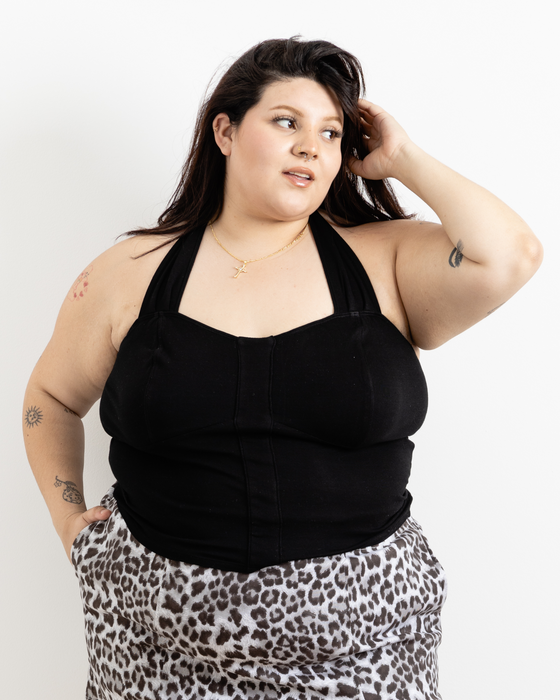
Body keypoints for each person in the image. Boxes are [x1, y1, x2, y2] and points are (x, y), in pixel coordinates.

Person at [23, 37, 543, 700]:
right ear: (225, 131)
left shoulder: (386, 261)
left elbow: (512, 255)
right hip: (154, 644)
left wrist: (401, 158)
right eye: (286, 122)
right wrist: (68, 519)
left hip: (365, 645)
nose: (310, 147)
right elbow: (50, 399)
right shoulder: (128, 274)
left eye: (330, 133)